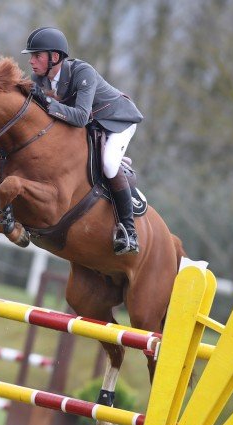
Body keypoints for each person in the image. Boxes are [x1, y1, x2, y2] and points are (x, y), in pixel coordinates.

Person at [22, 27, 143, 255]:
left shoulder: (82, 72)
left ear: (54, 57)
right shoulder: (39, 78)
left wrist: (46, 103)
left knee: (108, 164)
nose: (31, 61)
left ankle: (129, 232)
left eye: (37, 56)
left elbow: (79, 116)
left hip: (118, 121)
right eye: (31, 56)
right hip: (94, 126)